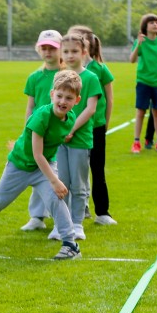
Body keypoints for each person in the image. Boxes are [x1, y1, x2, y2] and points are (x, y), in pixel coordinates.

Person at [0, 70, 83, 259]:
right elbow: (37, 154)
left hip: (43, 166)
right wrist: (54, 180)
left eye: (68, 98)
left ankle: (70, 244)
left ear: (76, 100)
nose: (63, 101)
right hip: (20, 165)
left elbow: (49, 148)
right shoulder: (41, 116)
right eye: (59, 96)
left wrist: (51, 181)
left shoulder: (70, 119)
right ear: (52, 94)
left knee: (55, 199)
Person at [48, 34, 102, 240]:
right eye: (66, 51)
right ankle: (61, 224)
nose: (70, 55)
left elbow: (90, 109)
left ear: (84, 53)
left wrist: (71, 130)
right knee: (61, 183)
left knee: (78, 184)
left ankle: (77, 223)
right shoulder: (59, 76)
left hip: (79, 139)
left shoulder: (91, 78)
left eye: (74, 51)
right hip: (59, 140)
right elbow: (52, 105)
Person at [67, 25, 117, 225]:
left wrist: (105, 123)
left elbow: (109, 98)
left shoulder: (99, 69)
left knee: (97, 168)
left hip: (95, 126)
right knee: (72, 171)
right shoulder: (67, 70)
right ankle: (76, 210)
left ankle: (102, 212)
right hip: (72, 127)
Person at [20, 30, 63, 232]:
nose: (48, 52)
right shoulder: (35, 77)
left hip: (60, 132)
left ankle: (67, 216)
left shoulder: (65, 75)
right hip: (39, 132)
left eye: (52, 48)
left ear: (60, 49)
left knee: (62, 173)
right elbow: (31, 105)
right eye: (44, 48)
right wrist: (27, 129)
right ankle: (37, 216)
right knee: (39, 172)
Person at [130, 13, 157, 153]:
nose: (155, 24)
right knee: (141, 111)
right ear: (145, 26)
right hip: (144, 80)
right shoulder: (141, 41)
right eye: (152, 22)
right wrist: (138, 44)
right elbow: (132, 59)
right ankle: (136, 142)